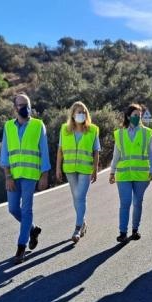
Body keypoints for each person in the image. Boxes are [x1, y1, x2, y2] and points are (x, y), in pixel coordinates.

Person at [0, 93, 50, 264]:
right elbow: (5, 153)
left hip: (30, 175)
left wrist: (44, 175)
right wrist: (7, 176)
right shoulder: (8, 126)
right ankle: (33, 229)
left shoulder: (38, 125)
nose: (25, 108)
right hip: (13, 175)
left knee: (26, 209)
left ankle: (21, 247)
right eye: (21, 105)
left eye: (27, 104)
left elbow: (44, 151)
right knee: (13, 209)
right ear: (15, 108)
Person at [109, 103, 152, 243]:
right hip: (123, 174)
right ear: (129, 116)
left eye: (140, 115)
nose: (138, 118)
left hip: (142, 175)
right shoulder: (120, 134)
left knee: (137, 202)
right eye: (135, 115)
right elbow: (116, 155)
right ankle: (122, 232)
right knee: (125, 203)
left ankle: (135, 229)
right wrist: (112, 172)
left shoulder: (146, 132)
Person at [55, 101, 101, 243]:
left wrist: (95, 169)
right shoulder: (64, 129)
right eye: (78, 112)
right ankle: (83, 223)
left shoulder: (93, 130)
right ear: (72, 114)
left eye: (83, 112)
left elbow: (96, 151)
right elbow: (60, 150)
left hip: (85, 169)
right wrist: (58, 168)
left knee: (80, 196)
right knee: (76, 198)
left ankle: (77, 228)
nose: (81, 114)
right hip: (69, 169)